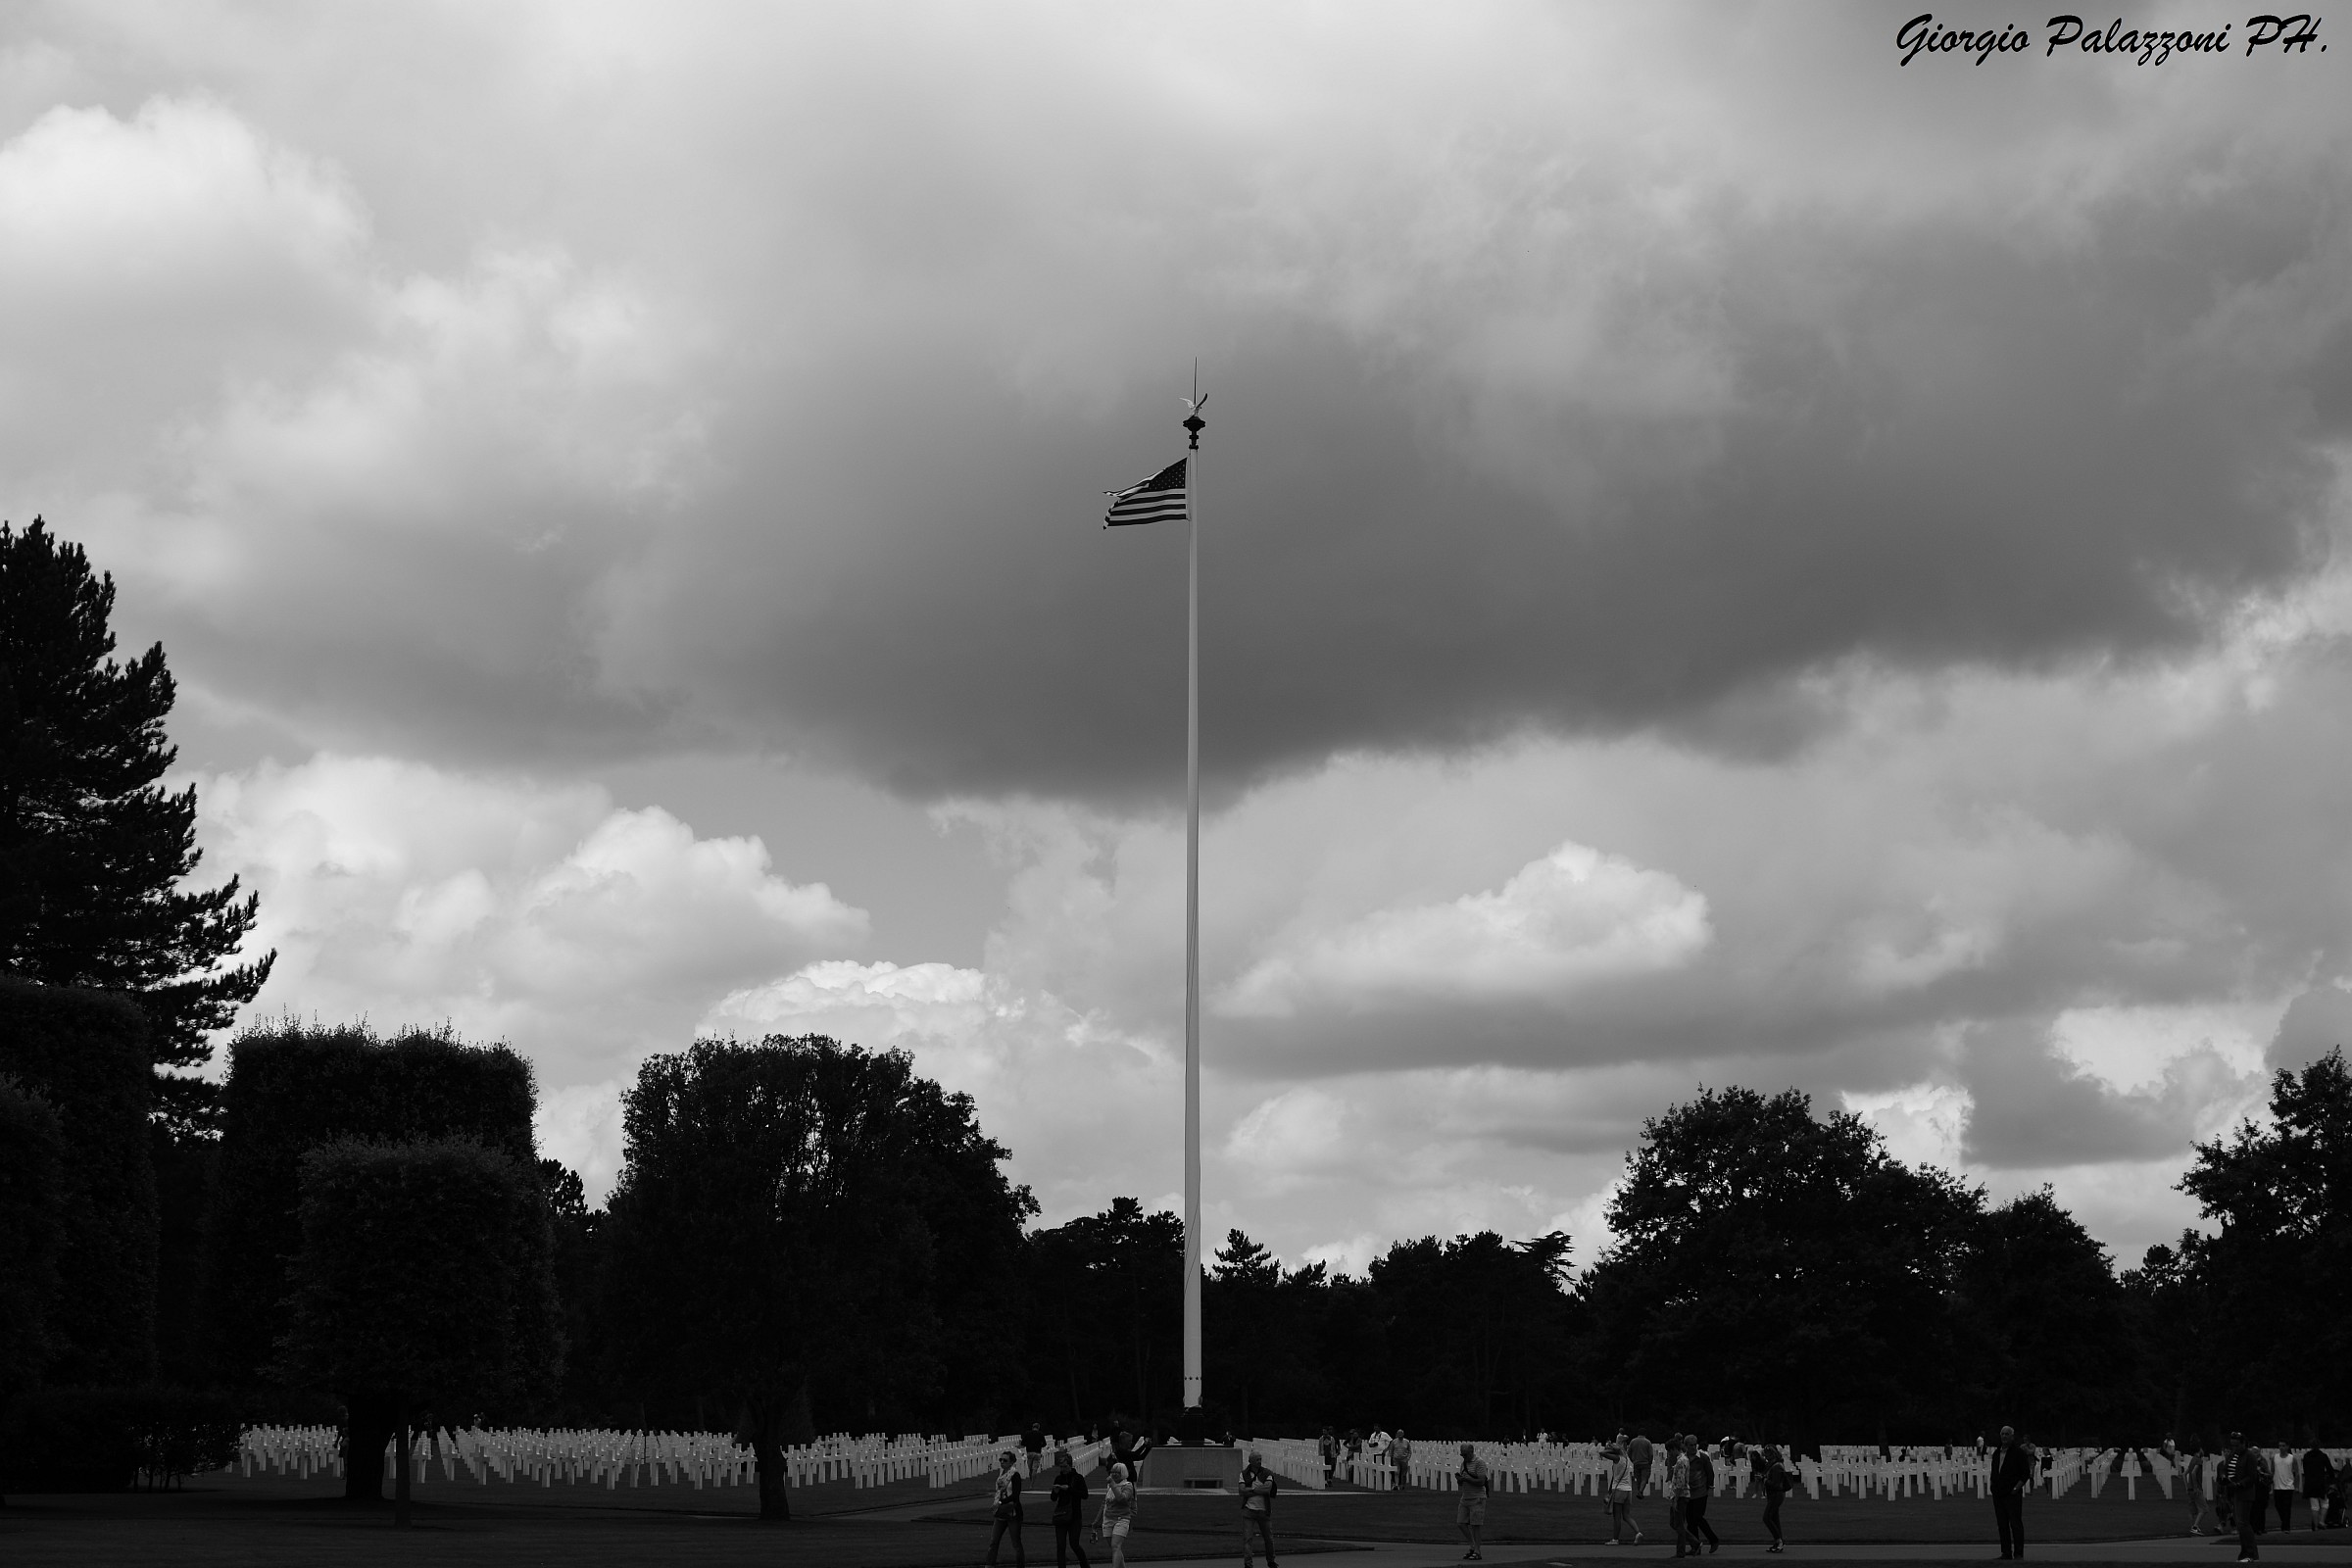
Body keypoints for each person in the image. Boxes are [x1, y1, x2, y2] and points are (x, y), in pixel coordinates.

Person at [1989, 1425, 2033, 1561]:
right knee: (2002, 1524)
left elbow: (2025, 1473)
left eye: (2007, 1434)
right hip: (1998, 1494)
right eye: (2002, 1434)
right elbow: (1994, 1471)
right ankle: (2006, 1553)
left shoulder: (2018, 1453)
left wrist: (2016, 1488)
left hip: (2012, 1494)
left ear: (2012, 1436)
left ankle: (2018, 1554)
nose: (2004, 1436)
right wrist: (1992, 1486)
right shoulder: (1997, 1453)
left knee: (2015, 1524)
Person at [2230, 1433, 2273, 1561]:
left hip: (2246, 1493)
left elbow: (2252, 1476)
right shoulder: (2235, 1455)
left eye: (2237, 1445)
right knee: (2240, 1524)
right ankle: (2245, 1553)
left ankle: (2251, 1554)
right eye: (2232, 1445)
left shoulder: (2249, 1457)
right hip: (2236, 1493)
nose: (2234, 1448)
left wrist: (2240, 1483)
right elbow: (2228, 1468)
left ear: (2244, 1444)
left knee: (2244, 1523)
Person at [1048, 1447, 1091, 1568]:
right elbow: (1053, 1498)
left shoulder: (1078, 1478)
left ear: (1070, 1466)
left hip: (1075, 1516)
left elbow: (1084, 1495)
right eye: (1061, 1467)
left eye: (1065, 1467)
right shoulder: (1059, 1478)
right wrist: (1056, 1491)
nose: (1063, 1470)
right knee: (1060, 1545)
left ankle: (1085, 1565)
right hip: (1061, 1514)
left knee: (1074, 1544)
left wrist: (1069, 1489)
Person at [988, 1449, 1027, 1568]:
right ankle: (989, 1565)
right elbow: (999, 1491)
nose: (1002, 1462)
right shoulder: (1001, 1476)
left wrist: (1001, 1502)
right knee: (993, 1542)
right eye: (1001, 1459)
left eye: (1005, 1460)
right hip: (1001, 1512)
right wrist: (997, 1502)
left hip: (1012, 1513)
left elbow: (1015, 1495)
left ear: (1011, 1462)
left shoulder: (1015, 1475)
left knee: (1016, 1543)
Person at [1241, 1448, 1279, 1568]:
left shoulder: (1267, 1473)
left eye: (1260, 1459)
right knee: (1248, 1539)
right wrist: (1258, 1490)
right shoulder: (1243, 1474)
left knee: (1269, 1538)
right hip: (1249, 1510)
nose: (1259, 1461)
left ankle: (1271, 1561)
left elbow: (1267, 1489)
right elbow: (1241, 1491)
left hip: (1263, 1510)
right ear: (1250, 1461)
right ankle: (1248, 1564)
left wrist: (1251, 1491)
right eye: (1257, 1460)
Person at [1684, 1435, 1720, 1553]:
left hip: (1700, 1492)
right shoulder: (1683, 1459)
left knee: (1698, 1517)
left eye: (1695, 1445)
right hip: (1688, 1493)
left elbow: (1710, 1472)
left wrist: (1708, 1486)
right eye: (1691, 1445)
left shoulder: (1703, 1458)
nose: (1693, 1447)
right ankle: (1695, 1545)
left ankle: (1713, 1540)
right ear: (1686, 1446)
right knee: (1690, 1521)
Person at [1098, 1461, 1138, 1568]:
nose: (1114, 1474)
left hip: (1121, 1519)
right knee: (1115, 1548)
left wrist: (1113, 1485)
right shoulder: (1110, 1486)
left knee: (1116, 1546)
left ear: (1123, 1473)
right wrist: (1096, 1520)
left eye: (1117, 1472)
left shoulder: (1127, 1486)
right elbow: (1105, 1503)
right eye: (1113, 1472)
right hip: (1108, 1519)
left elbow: (1122, 1499)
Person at [1456, 1442, 1492, 1562]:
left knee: (1476, 1525)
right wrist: (1460, 1480)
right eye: (1462, 1455)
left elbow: (1481, 1481)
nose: (1464, 1457)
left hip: (1477, 1498)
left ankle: (1477, 1551)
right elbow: (1463, 1480)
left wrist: (1467, 1479)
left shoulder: (1479, 1463)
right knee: (1461, 1522)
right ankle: (1472, 1545)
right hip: (1465, 1497)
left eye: (1465, 1454)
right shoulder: (1464, 1463)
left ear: (1471, 1452)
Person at [1759, 1445, 1791, 1554]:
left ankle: (1779, 1540)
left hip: (1776, 1495)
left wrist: (1765, 1480)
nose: (1766, 1457)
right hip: (1772, 1495)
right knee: (1774, 1519)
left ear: (1772, 1454)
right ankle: (1778, 1541)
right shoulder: (1772, 1465)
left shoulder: (1777, 1466)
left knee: (1767, 1518)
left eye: (1768, 1454)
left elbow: (1776, 1484)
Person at [1604, 1445, 1637, 1545]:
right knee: (1626, 1515)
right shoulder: (1626, 1459)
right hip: (1628, 1489)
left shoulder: (1617, 1459)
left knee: (1617, 1516)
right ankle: (1638, 1533)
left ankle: (1615, 1539)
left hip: (1619, 1490)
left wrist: (1610, 1449)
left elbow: (1603, 1453)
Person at [2304, 1445, 2334, 1531]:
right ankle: (2321, 1521)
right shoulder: (2323, 1456)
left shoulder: (2307, 1456)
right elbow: (2329, 1469)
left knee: (2314, 1506)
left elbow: (2305, 1469)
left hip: (2310, 1483)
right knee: (2325, 1503)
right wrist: (2332, 1478)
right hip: (2320, 1483)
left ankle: (2316, 1526)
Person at [2275, 1443, 2300, 1532]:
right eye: (2280, 1446)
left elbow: (2296, 1473)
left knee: (2286, 1507)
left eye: (2283, 1446)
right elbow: (2272, 1471)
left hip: (2288, 1487)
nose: (2281, 1447)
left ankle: (2286, 1527)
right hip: (2277, 1486)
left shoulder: (2292, 1458)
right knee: (2278, 1506)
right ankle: (2283, 1522)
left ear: (2287, 1447)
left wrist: (2296, 1486)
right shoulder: (2275, 1457)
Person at [1629, 1431, 1655, 1499]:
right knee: (1644, 1478)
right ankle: (1640, 1491)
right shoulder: (1647, 1442)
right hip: (1645, 1463)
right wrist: (1650, 1462)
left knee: (1638, 1479)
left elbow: (1629, 1452)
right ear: (1645, 1434)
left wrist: (1632, 1460)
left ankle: (1639, 1492)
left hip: (1636, 1462)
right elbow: (1651, 1454)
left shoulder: (1633, 1441)